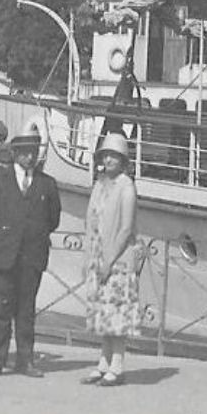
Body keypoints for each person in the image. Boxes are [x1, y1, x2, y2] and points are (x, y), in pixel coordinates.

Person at [0, 128, 62, 378]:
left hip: (31, 257)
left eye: (33, 153)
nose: (29, 158)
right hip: (3, 256)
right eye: (24, 153)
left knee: (26, 311)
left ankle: (25, 361)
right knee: (0, 310)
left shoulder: (46, 184)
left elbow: (53, 219)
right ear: (14, 154)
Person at [82, 132, 141, 387]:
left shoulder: (126, 186)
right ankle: (103, 362)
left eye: (114, 156)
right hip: (98, 254)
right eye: (105, 155)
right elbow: (91, 221)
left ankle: (117, 364)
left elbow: (126, 228)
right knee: (103, 313)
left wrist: (108, 260)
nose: (108, 160)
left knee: (116, 314)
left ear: (123, 160)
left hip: (117, 258)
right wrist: (89, 258)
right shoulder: (100, 184)